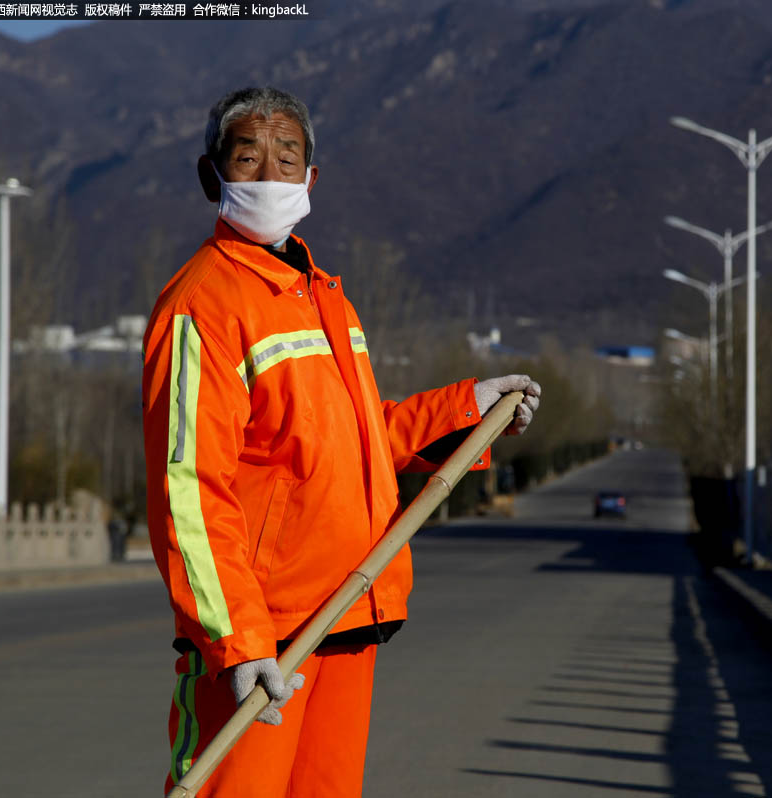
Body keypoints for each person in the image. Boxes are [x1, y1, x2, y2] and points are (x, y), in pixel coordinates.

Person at [142, 87, 541, 798]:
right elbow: (188, 489)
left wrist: (466, 410)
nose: (269, 174)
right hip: (265, 640)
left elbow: (355, 441)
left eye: (286, 157)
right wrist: (240, 645)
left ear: (312, 179)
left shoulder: (325, 296)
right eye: (248, 157)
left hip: (344, 614)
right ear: (212, 177)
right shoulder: (204, 301)